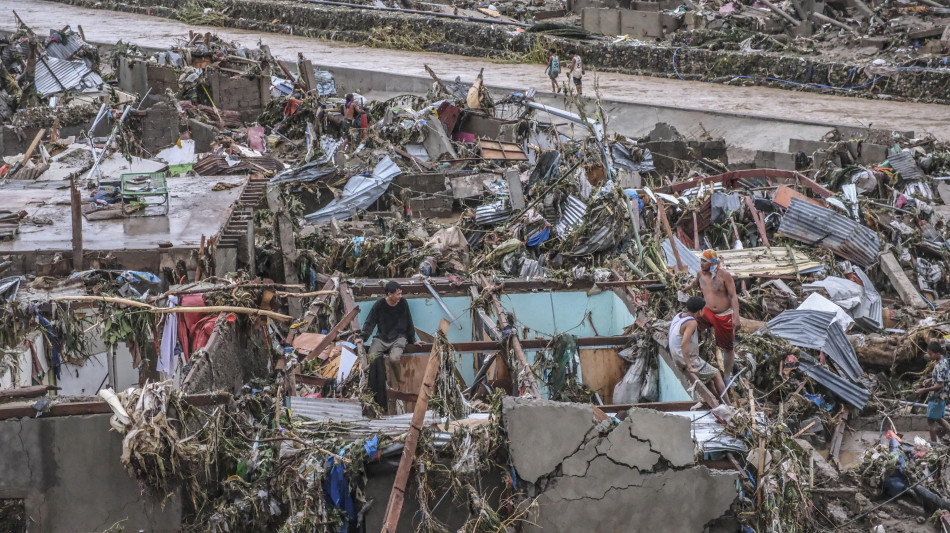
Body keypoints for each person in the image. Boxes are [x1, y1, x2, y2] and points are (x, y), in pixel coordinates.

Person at [356, 281, 423, 411]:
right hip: (382, 338)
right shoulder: (379, 304)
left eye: (401, 294)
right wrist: (363, 337)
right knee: (372, 356)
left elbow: (409, 321)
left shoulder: (403, 303)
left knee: (394, 358)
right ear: (389, 294)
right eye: (398, 294)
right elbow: (370, 322)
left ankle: (395, 386)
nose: (400, 296)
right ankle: (375, 386)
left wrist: (413, 340)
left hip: (399, 337)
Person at [685, 249, 740, 381]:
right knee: (691, 326)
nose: (701, 263)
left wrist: (736, 317)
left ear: (712, 263)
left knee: (728, 347)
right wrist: (686, 288)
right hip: (706, 311)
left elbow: (733, 296)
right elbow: (694, 284)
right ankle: (690, 358)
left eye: (705, 261)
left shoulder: (724, 276)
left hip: (723, 315)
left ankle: (726, 377)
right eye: (701, 260)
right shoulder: (700, 274)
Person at [669, 296, 729, 403]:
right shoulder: (691, 322)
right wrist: (689, 366)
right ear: (699, 311)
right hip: (685, 358)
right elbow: (684, 344)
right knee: (716, 374)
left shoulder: (679, 316)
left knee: (709, 380)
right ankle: (729, 404)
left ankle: (719, 401)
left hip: (676, 355)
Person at [915, 341, 950, 444]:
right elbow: (942, 377)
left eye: (930, 354)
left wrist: (924, 390)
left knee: (930, 420)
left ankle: (934, 443)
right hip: (943, 395)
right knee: (938, 418)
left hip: (937, 397)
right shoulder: (944, 360)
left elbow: (940, 385)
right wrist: (930, 379)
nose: (929, 356)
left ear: (937, 353)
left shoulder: (939, 365)